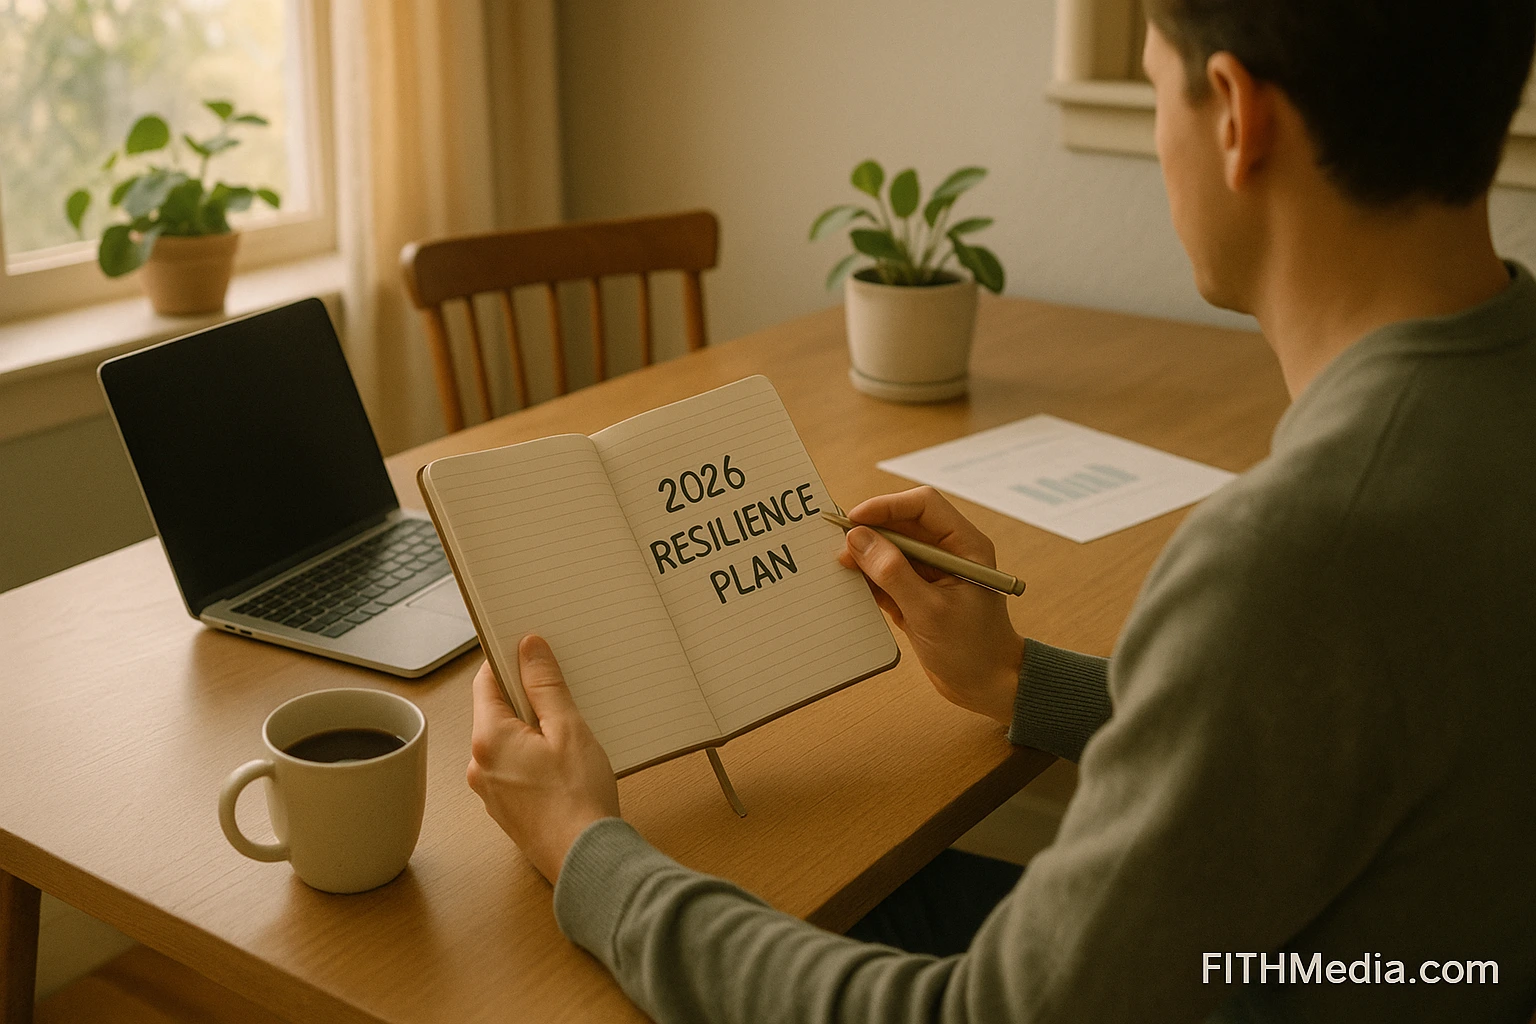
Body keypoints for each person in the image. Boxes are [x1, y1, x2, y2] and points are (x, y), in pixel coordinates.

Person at [463, 0, 1536, 1019]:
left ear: (1237, 118)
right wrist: (1021, 679)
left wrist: (587, 848)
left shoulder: (1296, 550)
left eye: (1159, 89)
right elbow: (1336, 713)